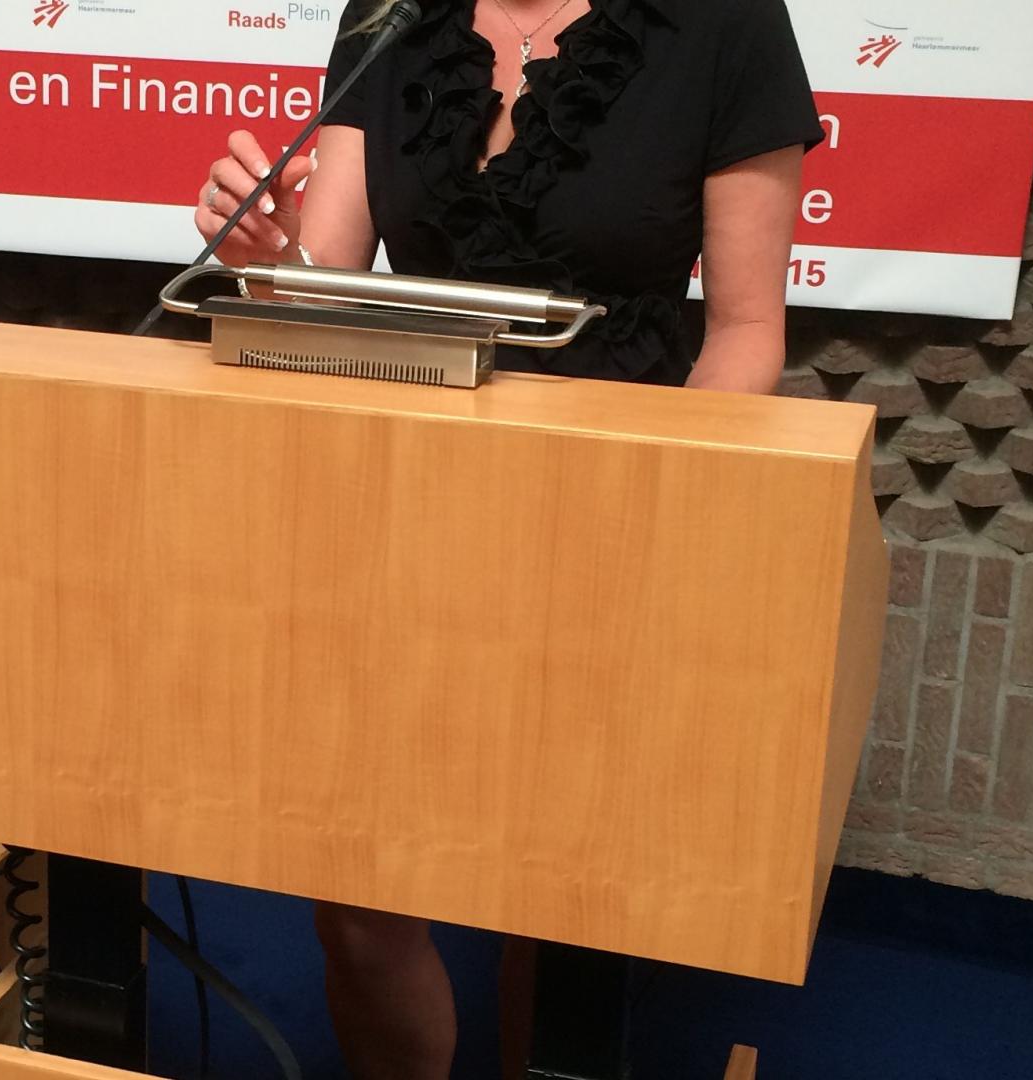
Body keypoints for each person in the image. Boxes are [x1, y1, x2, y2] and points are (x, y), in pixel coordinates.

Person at [195, 1, 824, 1076]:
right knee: (359, 898)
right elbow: (321, 278)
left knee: (558, 897)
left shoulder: (725, 22)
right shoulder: (393, 11)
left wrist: (667, 516)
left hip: (612, 519)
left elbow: (745, 332)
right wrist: (265, 254)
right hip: (403, 508)